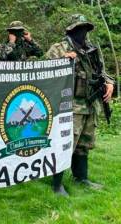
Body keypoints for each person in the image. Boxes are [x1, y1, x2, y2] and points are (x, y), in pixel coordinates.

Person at [46, 14, 114, 196]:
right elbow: (43, 70)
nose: (83, 32)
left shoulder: (91, 49)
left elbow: (101, 71)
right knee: (66, 143)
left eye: (85, 28)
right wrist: (63, 60)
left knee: (84, 143)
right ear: (70, 30)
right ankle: (56, 184)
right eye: (78, 28)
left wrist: (109, 82)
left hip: (90, 103)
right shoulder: (59, 48)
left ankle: (81, 178)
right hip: (69, 104)